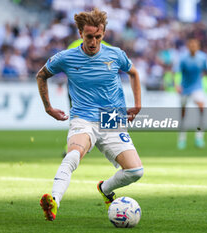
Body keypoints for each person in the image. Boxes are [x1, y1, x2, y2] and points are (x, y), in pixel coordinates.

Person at [37, 8, 143, 221]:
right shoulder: (66, 57)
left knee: (135, 172)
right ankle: (54, 201)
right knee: (74, 154)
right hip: (83, 118)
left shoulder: (115, 54)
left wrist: (138, 105)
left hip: (112, 119)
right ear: (80, 34)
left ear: (103, 33)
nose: (94, 41)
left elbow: (133, 73)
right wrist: (48, 107)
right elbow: (41, 75)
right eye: (89, 37)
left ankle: (105, 188)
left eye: (98, 36)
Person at [177, 38, 207, 149]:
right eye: (191, 45)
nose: (193, 47)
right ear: (188, 46)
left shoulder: (203, 57)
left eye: (195, 45)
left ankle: (199, 137)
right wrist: (177, 85)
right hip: (185, 88)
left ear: (198, 47)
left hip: (197, 87)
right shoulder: (183, 58)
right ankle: (182, 139)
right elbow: (177, 72)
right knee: (183, 114)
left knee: (201, 108)